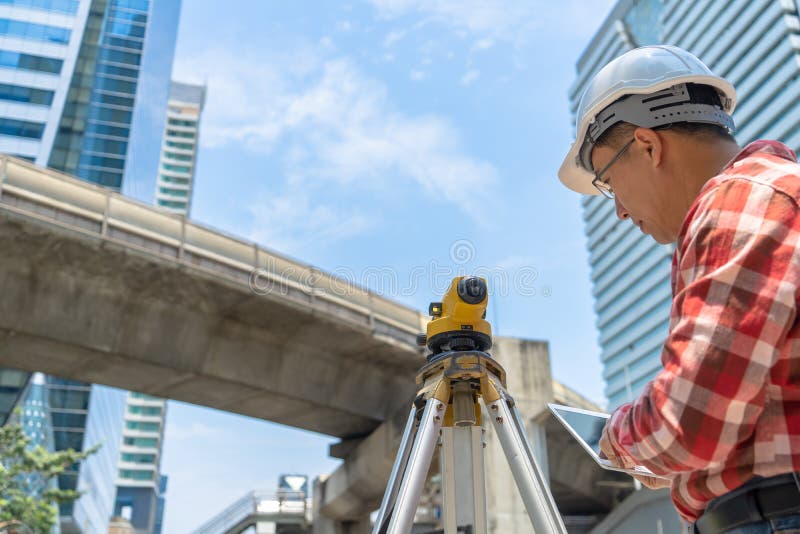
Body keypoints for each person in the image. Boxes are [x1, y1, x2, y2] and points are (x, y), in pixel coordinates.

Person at [558, 45, 800, 533]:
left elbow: (689, 421)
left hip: (773, 515)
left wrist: (616, 440)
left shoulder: (740, 200)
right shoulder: (769, 194)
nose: (620, 211)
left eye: (608, 180)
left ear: (648, 146)